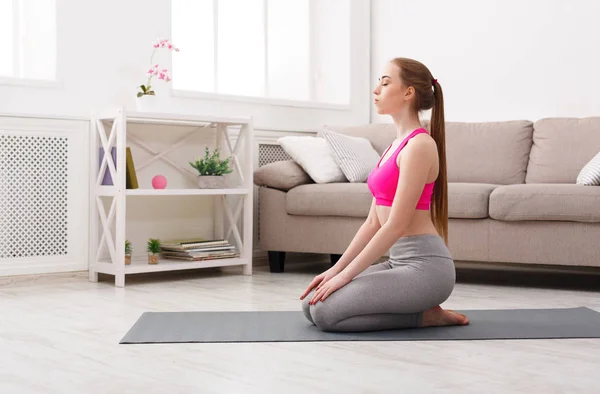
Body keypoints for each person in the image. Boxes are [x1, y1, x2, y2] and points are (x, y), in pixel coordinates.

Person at [299, 57, 469, 332]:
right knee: (310, 305)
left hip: (426, 269)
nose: (376, 89)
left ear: (408, 92)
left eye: (385, 82)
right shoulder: (394, 146)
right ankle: (422, 313)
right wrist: (335, 271)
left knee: (326, 313)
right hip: (397, 262)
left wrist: (345, 278)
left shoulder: (419, 146)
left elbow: (396, 224)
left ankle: (428, 316)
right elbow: (372, 223)